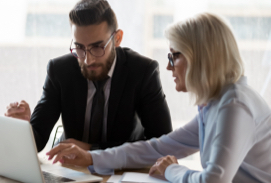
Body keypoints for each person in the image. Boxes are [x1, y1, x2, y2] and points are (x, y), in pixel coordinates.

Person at [46, 13, 271, 183]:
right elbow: (157, 148)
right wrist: (92, 158)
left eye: (174, 56)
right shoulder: (216, 103)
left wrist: (171, 169)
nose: (168, 66)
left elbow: (213, 180)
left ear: (200, 58)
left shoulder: (235, 105)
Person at [4, 0, 172, 152]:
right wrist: (23, 129)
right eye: (79, 48)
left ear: (117, 39)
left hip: (121, 171)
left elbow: (163, 143)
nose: (87, 60)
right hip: (69, 168)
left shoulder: (143, 71)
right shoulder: (59, 71)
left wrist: (91, 149)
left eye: (97, 47)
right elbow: (38, 139)